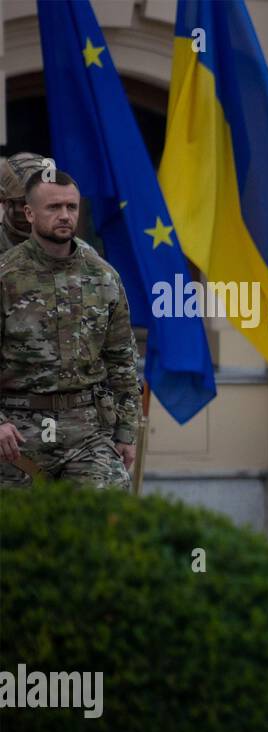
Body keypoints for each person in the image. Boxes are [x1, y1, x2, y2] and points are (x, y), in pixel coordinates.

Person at [0, 171, 139, 488]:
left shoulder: (103, 277)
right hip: (17, 430)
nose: (64, 216)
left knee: (105, 518)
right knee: (18, 533)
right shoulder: (7, 276)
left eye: (71, 207)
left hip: (86, 431)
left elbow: (122, 360)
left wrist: (126, 432)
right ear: (30, 213)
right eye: (53, 208)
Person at [0, 153, 48, 254]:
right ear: (4, 202)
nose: (34, 211)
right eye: (24, 203)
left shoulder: (69, 247)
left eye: (43, 202)